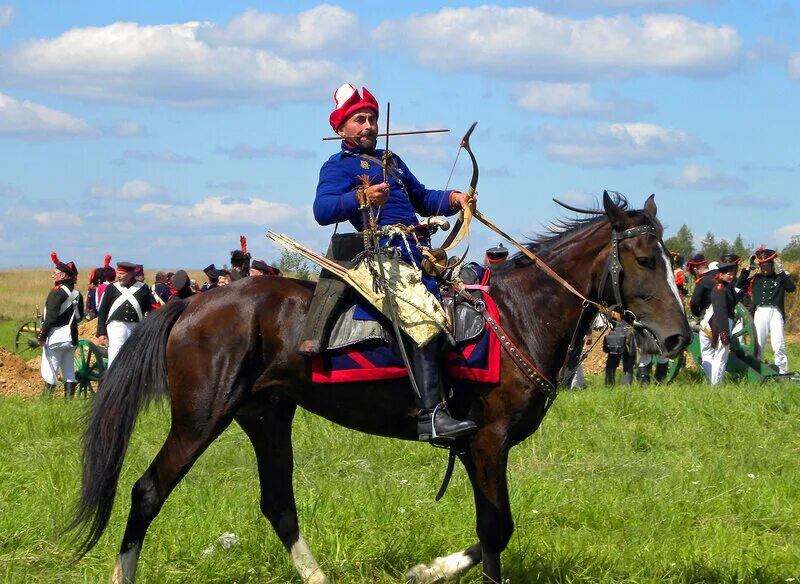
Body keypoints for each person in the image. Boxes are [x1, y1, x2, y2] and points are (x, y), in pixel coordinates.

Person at [302, 83, 476, 442]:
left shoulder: (392, 161)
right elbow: (321, 210)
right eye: (359, 119)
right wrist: (361, 196)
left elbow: (424, 197)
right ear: (341, 129)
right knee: (421, 316)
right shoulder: (337, 166)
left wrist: (455, 197)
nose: (368, 125)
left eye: (372, 119)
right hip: (381, 254)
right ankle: (430, 416)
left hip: (418, 252)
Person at [736, 247, 796, 373]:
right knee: (758, 344)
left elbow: (791, 288)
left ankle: (782, 371)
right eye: (762, 266)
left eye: (767, 265)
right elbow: (739, 285)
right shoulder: (755, 278)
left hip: (775, 312)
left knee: (778, 344)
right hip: (760, 312)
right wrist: (748, 269)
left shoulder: (780, 278)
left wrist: (781, 272)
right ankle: (757, 369)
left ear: (772, 265)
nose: (765, 269)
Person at [38, 252, 84, 398]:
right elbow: (79, 318)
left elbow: (50, 318)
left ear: (63, 276)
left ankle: (46, 401)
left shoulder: (56, 293)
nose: (52, 276)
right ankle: (69, 401)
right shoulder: (77, 294)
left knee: (49, 369)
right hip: (71, 338)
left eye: (55, 273)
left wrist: (42, 336)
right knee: (69, 370)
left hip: (56, 336)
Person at [96, 261, 154, 367]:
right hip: (116, 326)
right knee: (115, 355)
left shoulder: (142, 288)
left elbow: (149, 309)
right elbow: (103, 310)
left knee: (134, 357)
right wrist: (101, 332)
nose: (119, 276)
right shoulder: (112, 288)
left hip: (136, 327)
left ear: (131, 274)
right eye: (118, 273)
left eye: (122, 274)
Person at [708, 262, 738, 384]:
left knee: (722, 356)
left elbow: (735, 301)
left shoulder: (726, 287)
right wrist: (723, 332)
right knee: (720, 356)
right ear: (720, 274)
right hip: (723, 323)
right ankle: (715, 384)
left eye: (732, 274)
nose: (731, 276)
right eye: (728, 274)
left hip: (726, 322)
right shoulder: (720, 289)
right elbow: (720, 312)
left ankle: (717, 383)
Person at [688, 254, 717, 381]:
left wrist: (696, 315)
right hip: (724, 316)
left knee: (706, 351)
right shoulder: (717, 277)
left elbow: (694, 303)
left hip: (708, 318)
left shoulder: (702, 281)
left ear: (695, 269)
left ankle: (713, 381)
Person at [603, 320, 635, 386]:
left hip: (614, 335)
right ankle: (625, 388)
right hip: (628, 335)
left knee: (611, 364)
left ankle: (609, 385)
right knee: (628, 364)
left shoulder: (611, 310)